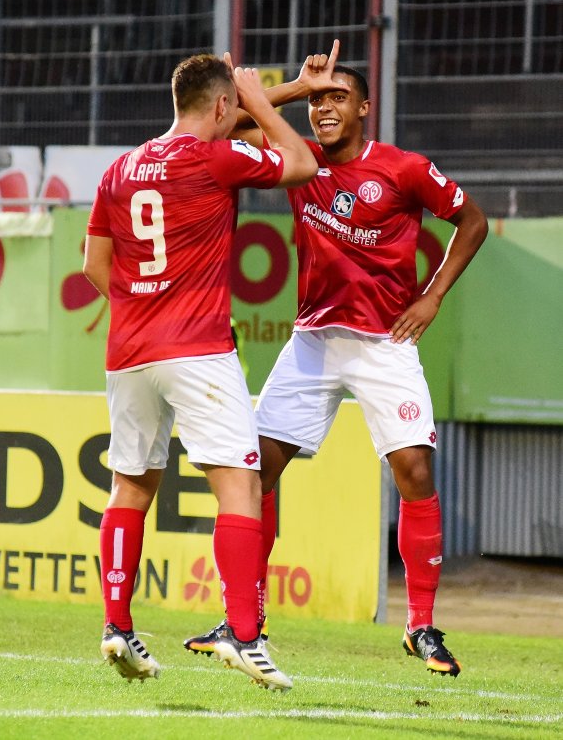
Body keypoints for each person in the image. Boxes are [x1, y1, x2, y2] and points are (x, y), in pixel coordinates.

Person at [184, 41, 489, 678]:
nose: (325, 109)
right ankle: (246, 621)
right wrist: (293, 89)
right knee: (257, 472)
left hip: (385, 343)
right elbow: (227, 122)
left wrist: (431, 298)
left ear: (364, 110)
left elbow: (473, 221)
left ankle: (422, 625)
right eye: (319, 101)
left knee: (414, 471)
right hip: (314, 340)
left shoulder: (404, 169)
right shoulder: (299, 162)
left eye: (337, 99)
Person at [83, 52, 319, 691]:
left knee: (130, 485)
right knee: (239, 485)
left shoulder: (120, 168)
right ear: (222, 106)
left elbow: (93, 264)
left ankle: (116, 626)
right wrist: (267, 101)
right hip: (197, 346)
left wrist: (142, 305)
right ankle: (245, 635)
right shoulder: (215, 159)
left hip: (130, 349)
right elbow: (301, 163)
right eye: (233, 104)